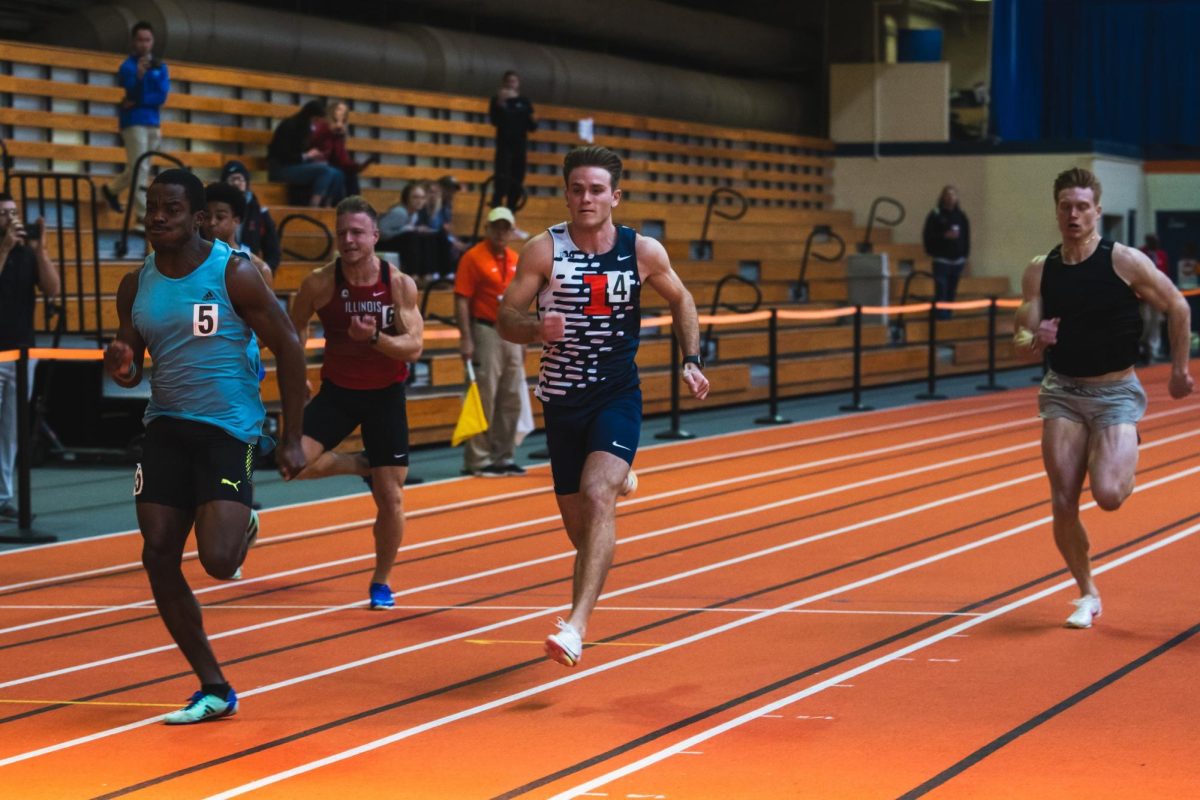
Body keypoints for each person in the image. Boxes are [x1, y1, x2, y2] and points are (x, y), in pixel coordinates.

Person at [102, 169, 307, 723]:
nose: (158, 217)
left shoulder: (233, 273)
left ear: (196, 217)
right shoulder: (135, 285)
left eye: (170, 208)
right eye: (151, 208)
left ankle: (238, 520)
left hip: (228, 428)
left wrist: (290, 435)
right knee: (158, 551)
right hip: (166, 425)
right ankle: (212, 684)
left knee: (218, 562)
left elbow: (289, 345)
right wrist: (121, 364)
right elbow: (130, 363)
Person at [498, 146, 709, 666]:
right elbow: (505, 316)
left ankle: (575, 626)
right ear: (567, 193)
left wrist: (691, 359)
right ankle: (622, 479)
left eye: (596, 190)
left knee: (597, 498)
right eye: (577, 188)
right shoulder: (542, 251)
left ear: (614, 196)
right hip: (561, 401)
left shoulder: (643, 251)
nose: (586, 198)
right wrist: (533, 329)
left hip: (616, 394)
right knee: (582, 532)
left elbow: (682, 299)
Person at [1013, 167, 1193, 630]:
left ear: (1097, 210)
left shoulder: (1124, 260)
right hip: (1063, 393)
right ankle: (1087, 592)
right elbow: (1021, 329)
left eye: (1081, 206)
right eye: (1065, 206)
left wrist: (1178, 370)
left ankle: (1124, 441)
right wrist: (1034, 335)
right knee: (1063, 499)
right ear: (1056, 210)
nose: (1072, 214)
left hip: (1115, 392)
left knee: (1109, 494)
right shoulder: (1041, 268)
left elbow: (1177, 305)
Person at [288, 196, 424, 610]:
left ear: (375, 237)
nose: (348, 240)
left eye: (357, 233)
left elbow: (414, 346)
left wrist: (375, 340)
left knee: (391, 498)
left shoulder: (397, 283)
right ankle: (360, 464)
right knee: (291, 463)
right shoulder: (319, 283)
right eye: (342, 232)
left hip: (385, 396)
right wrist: (299, 379)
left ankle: (381, 581)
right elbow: (294, 329)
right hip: (339, 393)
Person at [0, 194, 60, 521]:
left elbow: (52, 288)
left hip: (22, 354)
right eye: (3, 214)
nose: (10, 219)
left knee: (10, 432)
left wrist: (41, 250)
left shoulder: (26, 254)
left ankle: (3, 497)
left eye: (13, 213)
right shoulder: (7, 250)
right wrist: (4, 248)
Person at [455, 206, 526, 477]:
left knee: (511, 397)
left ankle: (503, 456)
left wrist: (525, 338)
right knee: (484, 394)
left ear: (511, 231)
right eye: (496, 226)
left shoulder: (516, 258)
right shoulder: (472, 258)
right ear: (487, 228)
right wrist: (466, 338)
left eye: (505, 227)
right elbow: (462, 298)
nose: (500, 232)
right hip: (485, 330)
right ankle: (478, 459)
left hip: (512, 333)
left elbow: (521, 301)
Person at [101, 21, 170, 224]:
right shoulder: (127, 66)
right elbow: (129, 91)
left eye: (147, 40)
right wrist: (139, 79)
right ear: (133, 42)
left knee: (140, 167)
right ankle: (142, 214)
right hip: (133, 122)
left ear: (153, 41)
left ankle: (110, 190)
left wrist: (137, 100)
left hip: (152, 121)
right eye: (140, 40)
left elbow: (161, 97)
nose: (143, 44)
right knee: (139, 167)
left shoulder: (160, 67)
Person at [267, 100, 344, 208]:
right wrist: (306, 156)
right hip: (281, 168)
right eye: (315, 120)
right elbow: (283, 155)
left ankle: (328, 205)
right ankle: (313, 206)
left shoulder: (307, 129)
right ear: (310, 117)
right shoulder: (289, 126)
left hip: (296, 165)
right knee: (325, 171)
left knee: (337, 173)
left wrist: (313, 157)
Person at [221, 160, 281, 272]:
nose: (236, 183)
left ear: (247, 183)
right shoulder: (214, 211)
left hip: (250, 271)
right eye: (232, 179)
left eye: (240, 179)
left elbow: (273, 252)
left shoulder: (260, 212)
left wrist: (266, 275)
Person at [489, 70, 536, 210]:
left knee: (517, 181)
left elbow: (532, 126)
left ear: (518, 84)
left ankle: (511, 213)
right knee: (502, 179)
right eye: (508, 81)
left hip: (520, 146)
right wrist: (500, 103)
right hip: (504, 146)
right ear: (504, 83)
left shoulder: (524, 102)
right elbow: (494, 121)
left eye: (513, 81)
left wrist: (533, 118)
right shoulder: (497, 100)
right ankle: (496, 210)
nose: (511, 84)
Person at [311, 100, 379, 199]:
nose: (340, 117)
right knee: (339, 175)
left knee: (350, 175)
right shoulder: (321, 127)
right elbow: (316, 142)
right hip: (315, 162)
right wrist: (335, 128)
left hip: (331, 166)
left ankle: (354, 208)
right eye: (338, 110)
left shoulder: (338, 135)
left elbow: (342, 160)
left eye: (343, 117)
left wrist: (359, 166)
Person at [922, 185, 971, 319]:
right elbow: (928, 236)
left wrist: (965, 256)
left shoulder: (961, 216)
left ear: (957, 198)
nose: (950, 197)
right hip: (941, 260)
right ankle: (941, 319)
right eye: (947, 195)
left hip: (958, 261)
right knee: (941, 291)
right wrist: (944, 236)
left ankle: (948, 318)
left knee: (951, 291)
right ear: (942, 197)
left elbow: (966, 237)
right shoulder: (935, 214)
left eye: (953, 195)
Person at [1138, 233, 1170, 361]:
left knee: (1157, 321)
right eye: (1152, 241)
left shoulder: (1162, 255)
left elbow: (1165, 274)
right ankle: (1141, 343)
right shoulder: (1140, 253)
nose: (1155, 243)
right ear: (1147, 241)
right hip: (1143, 294)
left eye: (1157, 241)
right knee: (1145, 320)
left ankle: (1153, 350)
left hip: (1158, 294)